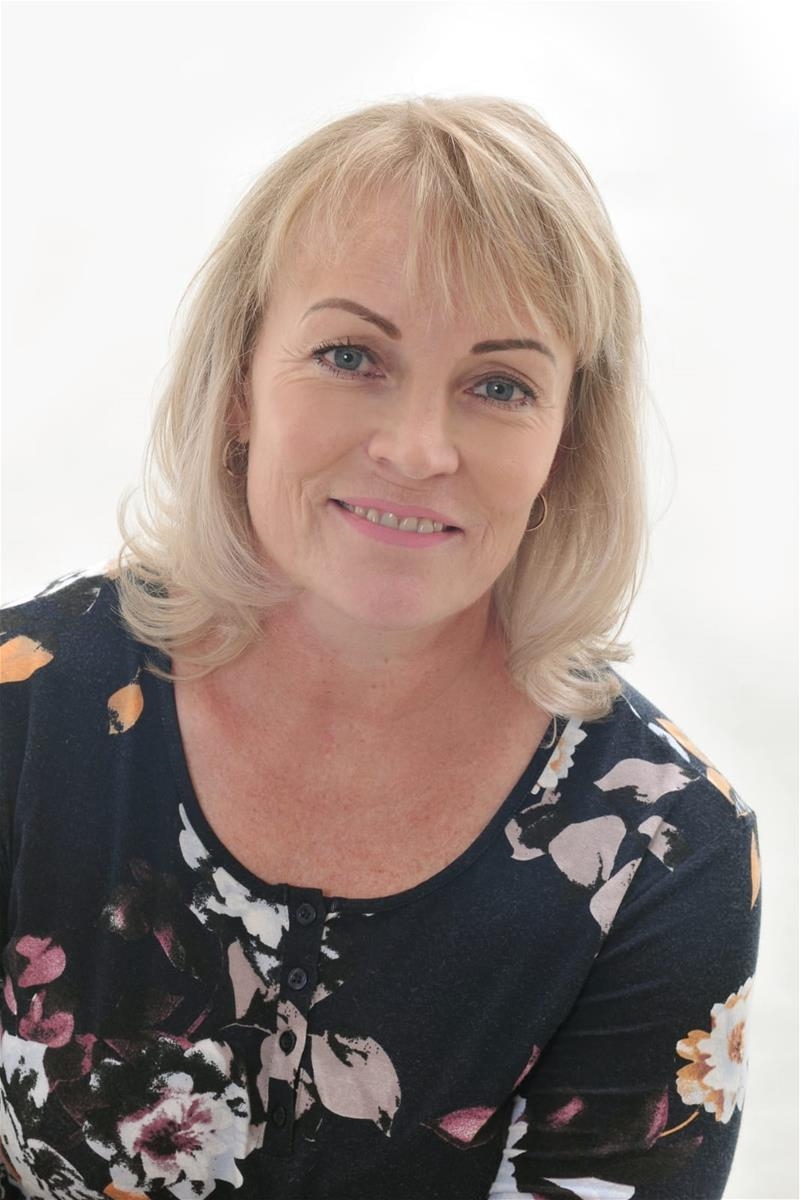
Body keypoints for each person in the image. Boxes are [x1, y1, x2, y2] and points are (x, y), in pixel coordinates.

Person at [0, 95, 760, 1200]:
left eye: (498, 385)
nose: (416, 449)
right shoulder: (26, 708)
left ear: (566, 438)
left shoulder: (666, 853)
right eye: (350, 354)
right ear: (239, 386)